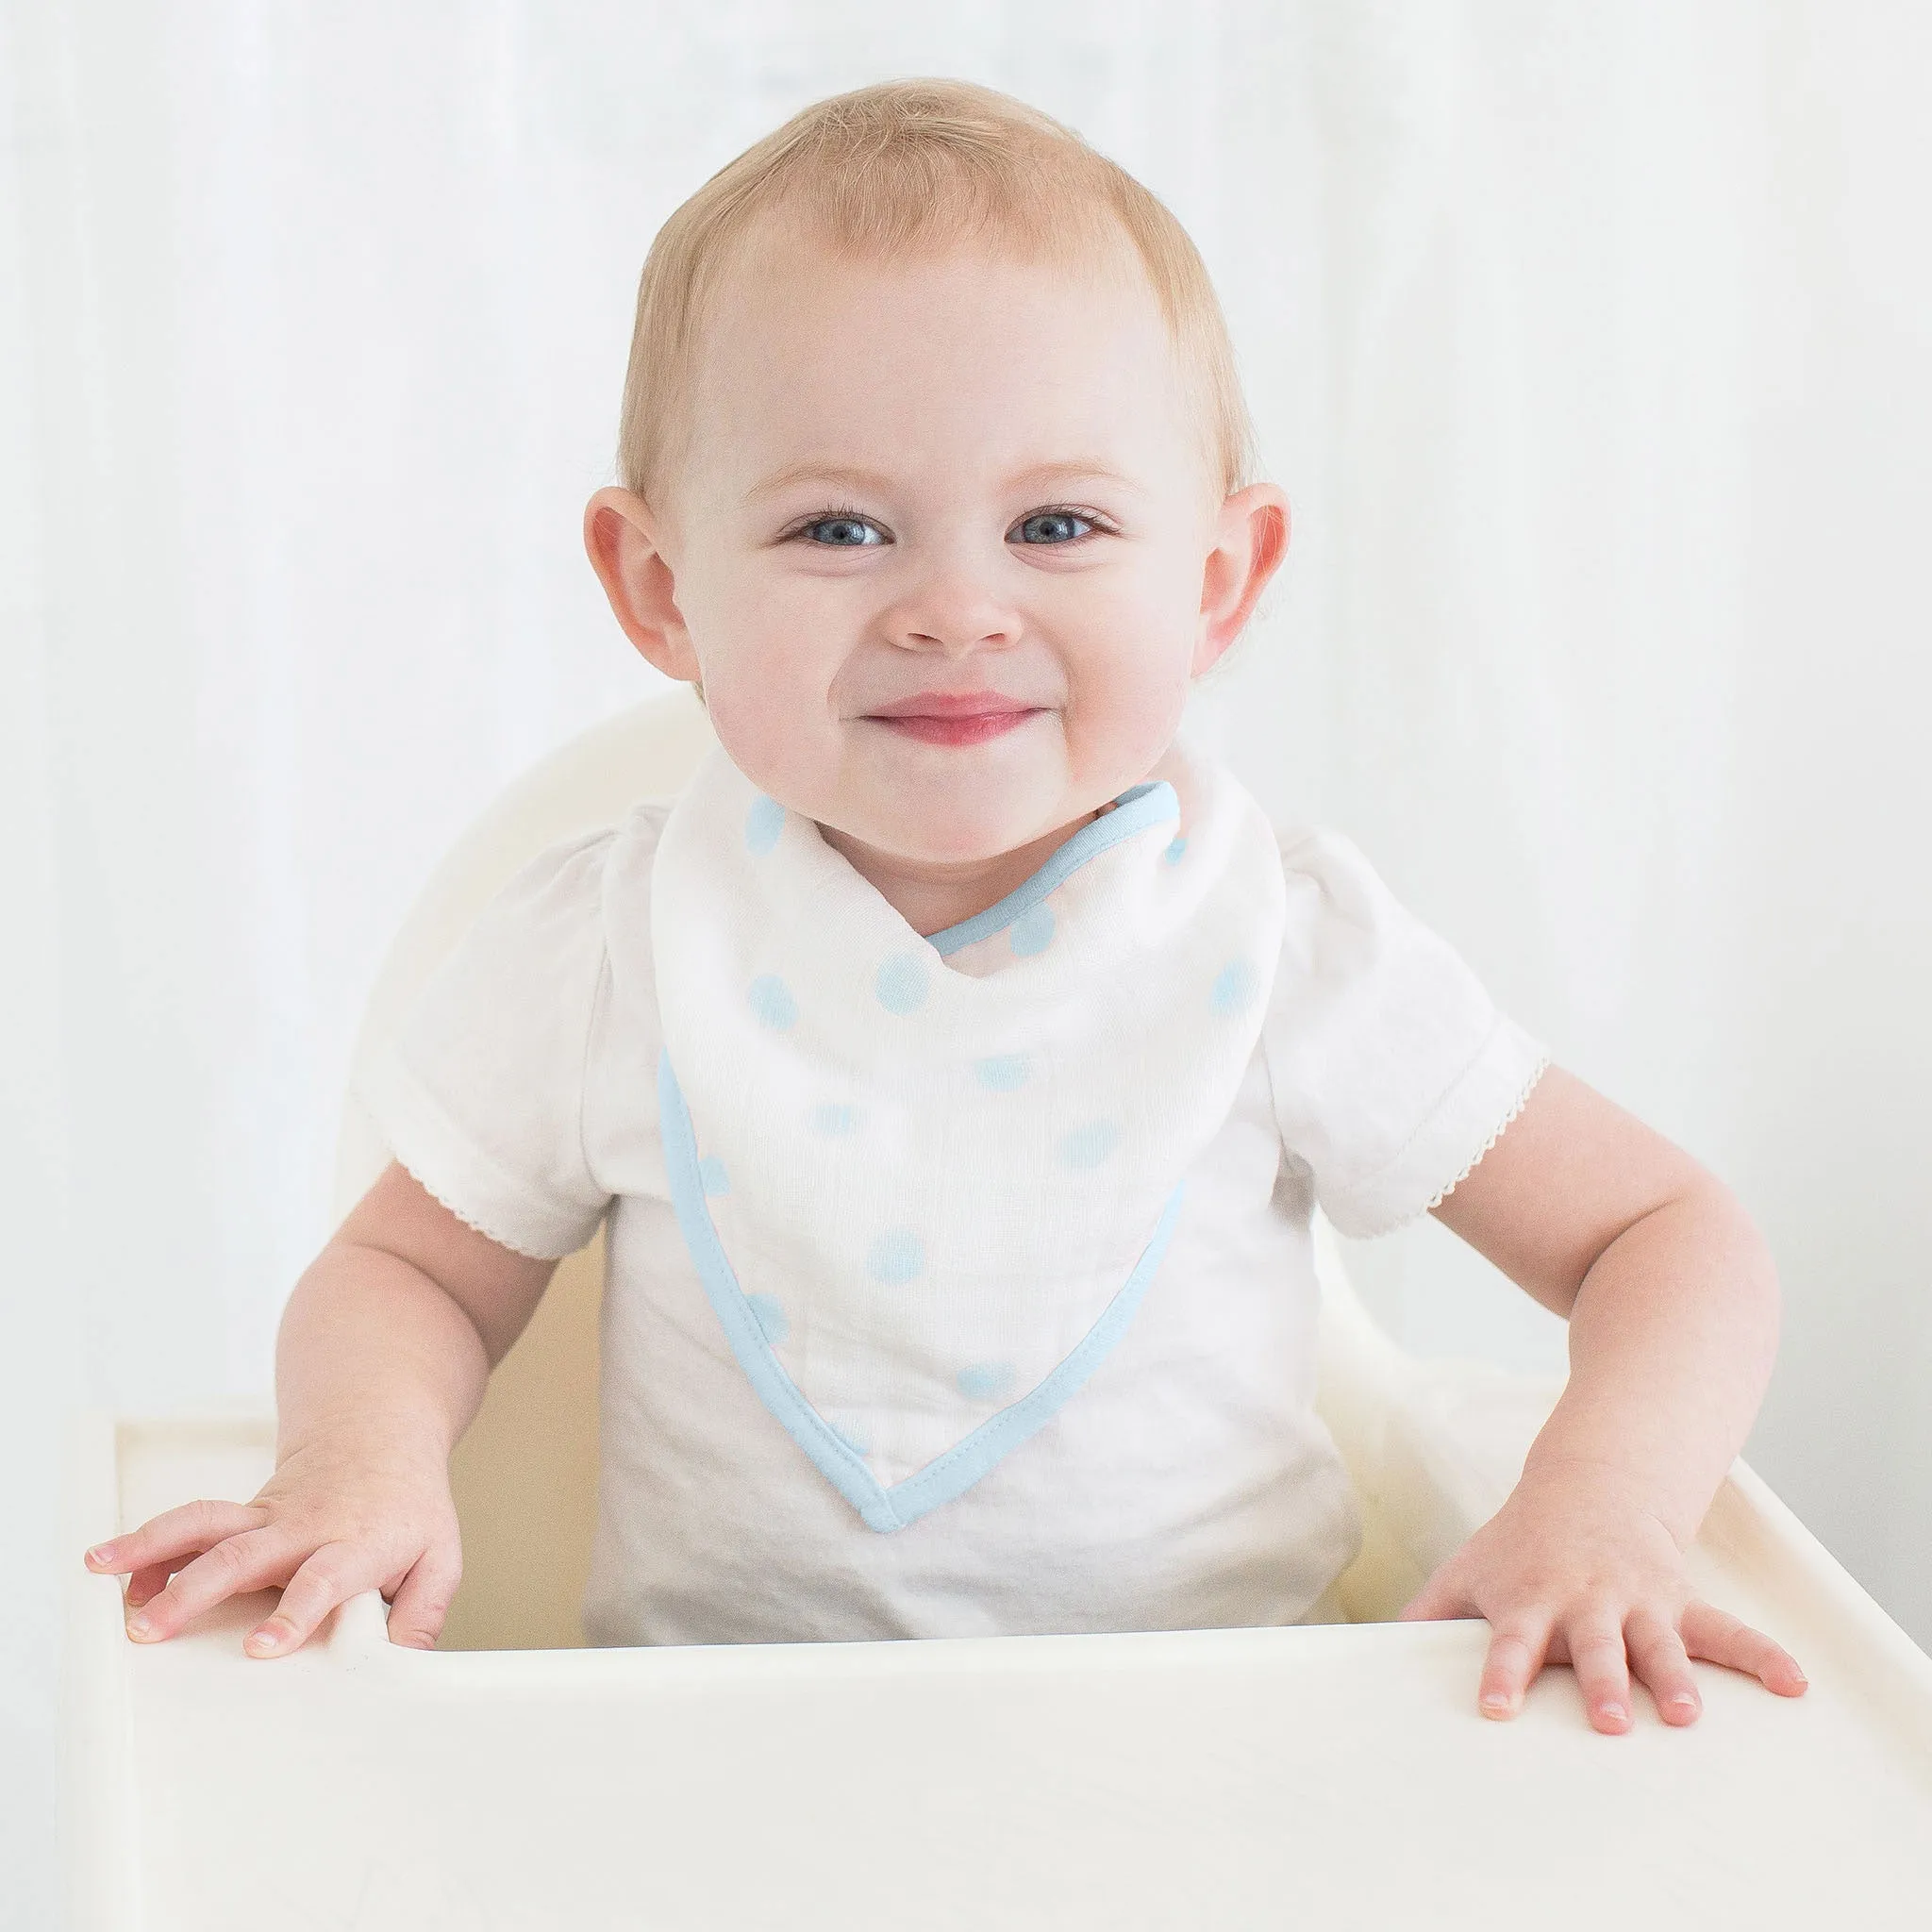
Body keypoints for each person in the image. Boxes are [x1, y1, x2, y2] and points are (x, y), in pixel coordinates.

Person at [85, 78, 1806, 1735]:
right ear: (661, 587)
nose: (954, 608)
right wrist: (354, 1468)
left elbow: (1667, 1240)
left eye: (1056, 523)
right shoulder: (620, 948)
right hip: (713, 1775)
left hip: (1222, 1764)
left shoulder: (1278, 943)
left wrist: (1609, 1504)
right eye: (841, 528)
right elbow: (406, 1272)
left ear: (1216, 582)